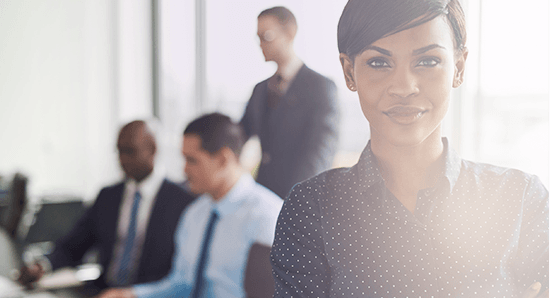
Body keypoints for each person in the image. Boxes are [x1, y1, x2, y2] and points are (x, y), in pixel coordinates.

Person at [270, 0, 549, 297]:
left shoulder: (520, 200)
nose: (404, 86)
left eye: (427, 61)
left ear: (459, 67)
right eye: (379, 62)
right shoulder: (311, 209)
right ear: (350, 73)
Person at [97, 113, 283, 298]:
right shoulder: (194, 214)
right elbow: (182, 285)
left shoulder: (269, 218)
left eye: (192, 160)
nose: (184, 170)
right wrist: (131, 295)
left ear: (223, 160)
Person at [18, 120, 195, 294]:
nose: (122, 159)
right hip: (103, 292)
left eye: (129, 151)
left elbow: (183, 274)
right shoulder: (108, 196)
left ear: (153, 149)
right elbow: (74, 245)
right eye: (119, 151)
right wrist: (43, 265)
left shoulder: (183, 202)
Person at [240, 6, 340, 199]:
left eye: (266, 36)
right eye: (258, 37)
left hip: (299, 196)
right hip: (264, 192)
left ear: (290, 34)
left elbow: (320, 151)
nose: (260, 44)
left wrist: (300, 199)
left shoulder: (320, 87)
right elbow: (239, 134)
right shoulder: (260, 90)